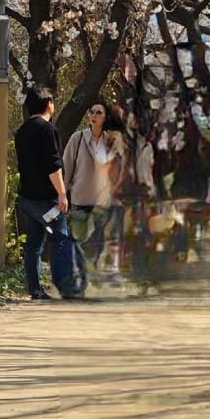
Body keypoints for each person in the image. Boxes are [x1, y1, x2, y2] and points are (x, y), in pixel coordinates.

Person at [15, 87, 77, 299]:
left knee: (34, 244)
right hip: (46, 201)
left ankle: (35, 289)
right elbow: (53, 165)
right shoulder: (48, 129)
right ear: (49, 102)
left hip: (27, 199)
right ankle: (66, 288)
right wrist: (62, 193)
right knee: (59, 240)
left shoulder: (22, 131)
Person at [63, 102, 117, 283]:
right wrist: (62, 194)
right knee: (79, 239)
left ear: (105, 117)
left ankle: (91, 268)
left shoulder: (111, 142)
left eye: (99, 113)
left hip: (103, 200)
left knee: (98, 238)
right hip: (80, 198)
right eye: (91, 112)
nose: (94, 115)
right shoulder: (77, 139)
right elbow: (67, 168)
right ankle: (82, 276)